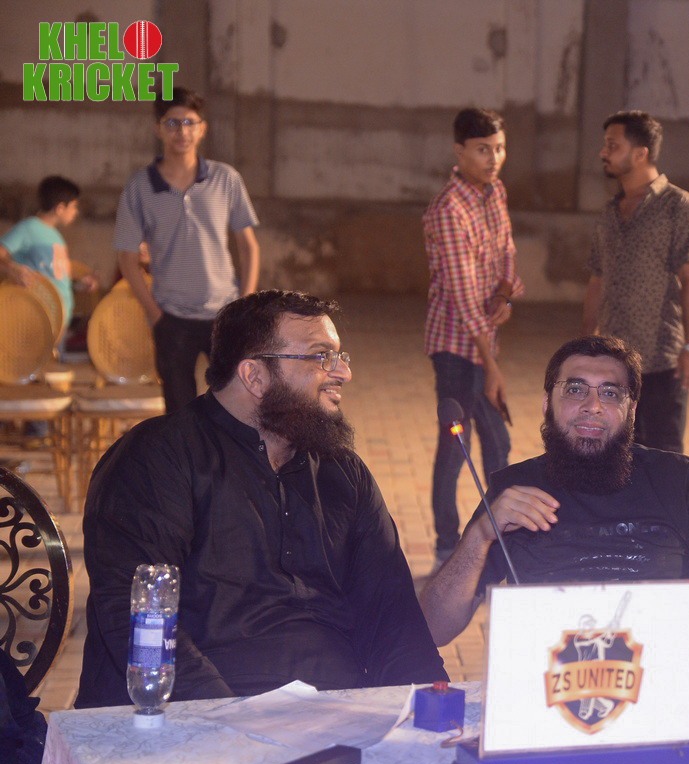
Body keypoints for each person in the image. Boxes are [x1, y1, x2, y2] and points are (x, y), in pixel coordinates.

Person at [76, 291, 447, 707]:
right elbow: (139, 618)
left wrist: (434, 710)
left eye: (340, 356)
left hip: (332, 710)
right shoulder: (157, 458)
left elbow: (393, 616)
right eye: (321, 356)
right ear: (254, 376)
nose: (343, 372)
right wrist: (232, 723)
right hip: (194, 712)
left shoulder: (342, 472)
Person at [420, 336, 689, 665]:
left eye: (610, 393)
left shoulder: (679, 480)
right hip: (549, 692)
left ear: (632, 409)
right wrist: (480, 536)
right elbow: (434, 629)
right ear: (547, 404)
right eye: (575, 390)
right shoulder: (513, 490)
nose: (592, 406)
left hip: (668, 688)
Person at [114, 86, 260, 414]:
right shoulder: (140, 186)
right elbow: (126, 258)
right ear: (158, 129)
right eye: (172, 123)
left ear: (202, 128)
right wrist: (156, 314)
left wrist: (244, 304)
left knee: (237, 407)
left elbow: (248, 246)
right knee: (179, 414)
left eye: (189, 122)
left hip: (224, 314)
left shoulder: (226, 179)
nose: (182, 131)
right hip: (171, 317)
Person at [424, 107, 524, 561]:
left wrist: (505, 295)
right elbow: (464, 299)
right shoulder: (449, 209)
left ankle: (498, 539)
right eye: (483, 149)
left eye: (499, 148)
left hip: (484, 346)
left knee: (498, 444)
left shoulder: (494, 192)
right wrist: (492, 368)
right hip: (455, 349)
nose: (493, 158)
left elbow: (507, 254)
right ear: (459, 151)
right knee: (455, 446)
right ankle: (448, 545)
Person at [582, 111, 689, 453]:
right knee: (616, 455)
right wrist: (586, 341)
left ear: (641, 153)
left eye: (613, 145)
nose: (603, 152)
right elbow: (597, 279)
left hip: (660, 361)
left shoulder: (678, 206)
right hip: (614, 363)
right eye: (605, 145)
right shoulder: (609, 212)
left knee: (664, 459)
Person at [1, 175, 97, 338]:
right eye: (74, 207)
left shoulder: (56, 237)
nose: (76, 212)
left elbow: (53, 278)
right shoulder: (29, 228)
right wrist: (12, 268)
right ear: (60, 208)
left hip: (57, 323)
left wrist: (78, 284)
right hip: (33, 322)